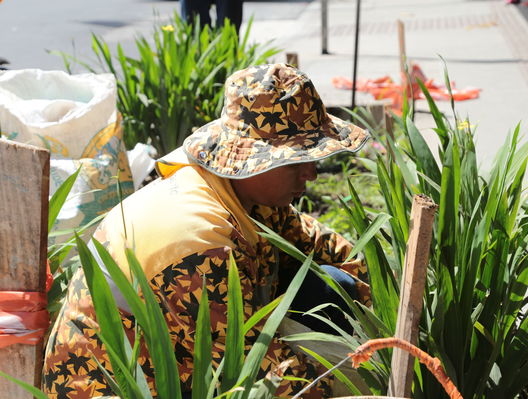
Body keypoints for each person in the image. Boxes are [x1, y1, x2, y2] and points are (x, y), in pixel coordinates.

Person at [42, 63, 371, 398]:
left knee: (336, 285)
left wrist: (388, 312)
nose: (311, 174)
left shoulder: (244, 195)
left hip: (175, 354)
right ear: (254, 160)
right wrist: (365, 383)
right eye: (298, 161)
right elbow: (260, 375)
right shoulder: (196, 244)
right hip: (113, 385)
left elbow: (327, 246)